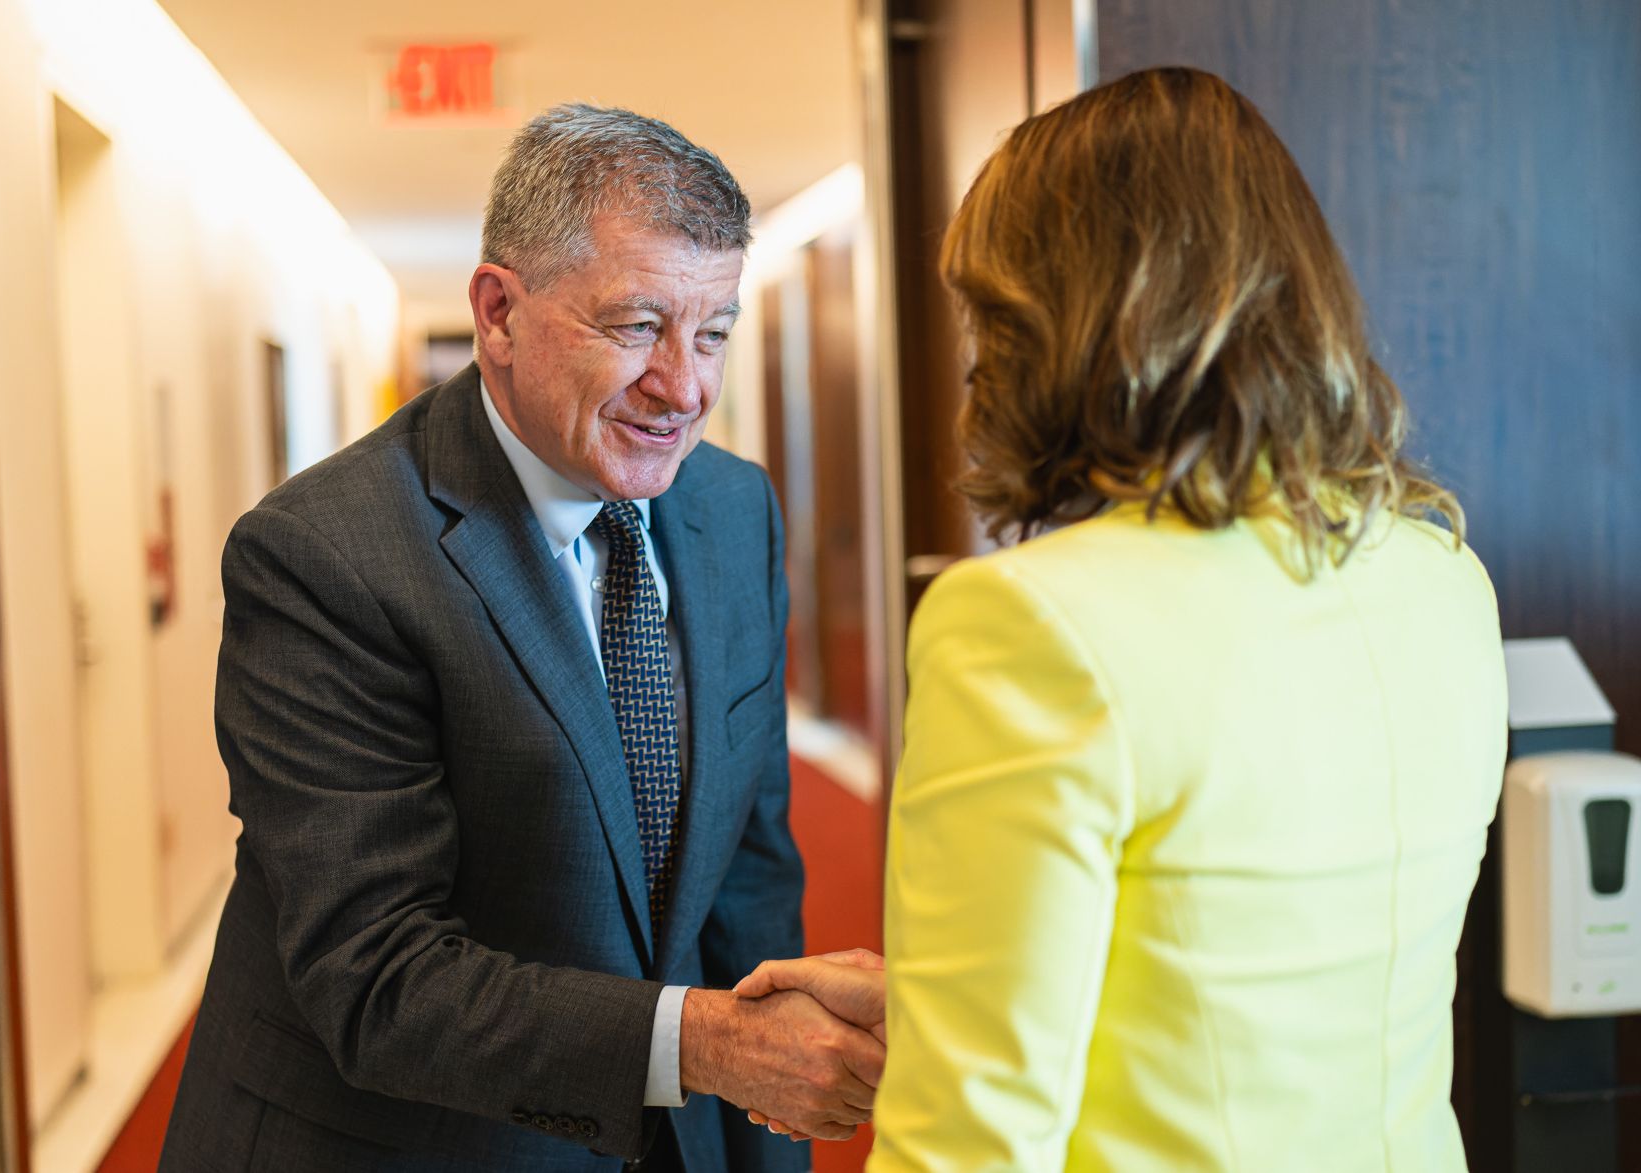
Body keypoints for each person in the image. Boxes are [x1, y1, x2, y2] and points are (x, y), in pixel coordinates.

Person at [751, 67, 1507, 1170]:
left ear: (1046, 322)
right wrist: (938, 998)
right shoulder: (1437, 578)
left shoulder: (1030, 625)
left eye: (984, 315)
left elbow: (971, 1144)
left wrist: (946, 1051)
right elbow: (1258, 985)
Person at [161, 104, 883, 1173]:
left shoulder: (732, 510)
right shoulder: (325, 554)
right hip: (400, 1144)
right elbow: (376, 975)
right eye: (636, 326)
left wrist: (762, 1138)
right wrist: (706, 1047)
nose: (683, 387)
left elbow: (748, 882)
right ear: (498, 313)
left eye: (714, 331)